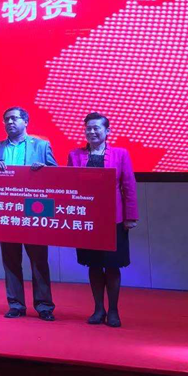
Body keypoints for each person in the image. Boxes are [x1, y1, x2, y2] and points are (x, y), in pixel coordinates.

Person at [0, 107, 57, 321]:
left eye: (14, 118)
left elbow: (57, 175)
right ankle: (15, 304)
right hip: (6, 210)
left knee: (39, 260)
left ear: (26, 122)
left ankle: (44, 306)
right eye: (6, 119)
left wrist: (44, 170)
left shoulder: (41, 145)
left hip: (35, 210)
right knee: (11, 260)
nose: (10, 122)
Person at [68, 112, 138, 328]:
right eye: (88, 128)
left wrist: (130, 216)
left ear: (107, 131)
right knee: (94, 265)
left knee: (113, 266)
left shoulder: (121, 154)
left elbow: (129, 185)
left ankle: (114, 310)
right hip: (87, 219)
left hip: (113, 219)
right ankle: (99, 309)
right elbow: (68, 185)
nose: (92, 132)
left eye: (96, 128)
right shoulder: (75, 155)